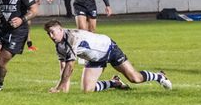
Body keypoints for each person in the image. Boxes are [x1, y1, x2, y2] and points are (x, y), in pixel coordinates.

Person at [43, 20, 172, 92]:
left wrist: (58, 88)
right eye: (48, 34)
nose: (51, 36)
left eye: (53, 32)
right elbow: (63, 67)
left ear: (61, 29)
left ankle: (159, 76)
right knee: (87, 90)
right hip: (95, 59)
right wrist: (62, 90)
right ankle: (114, 82)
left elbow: (70, 67)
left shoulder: (71, 38)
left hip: (109, 48)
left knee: (135, 78)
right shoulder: (59, 45)